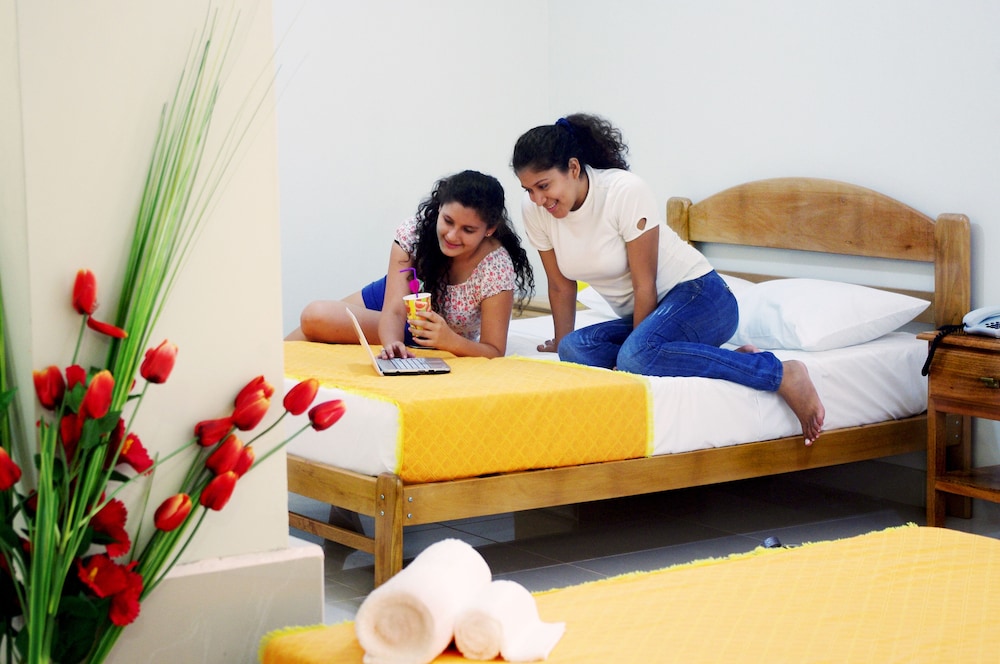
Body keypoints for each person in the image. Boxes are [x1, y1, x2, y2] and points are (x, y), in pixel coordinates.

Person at [511, 113, 824, 444]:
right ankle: (727, 359)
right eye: (528, 190)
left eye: (544, 186)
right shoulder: (536, 211)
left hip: (703, 298)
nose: (538, 200)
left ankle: (781, 372)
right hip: (653, 317)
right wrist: (561, 344)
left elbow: (644, 284)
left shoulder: (623, 191)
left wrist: (635, 352)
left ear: (573, 168)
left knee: (635, 357)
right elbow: (561, 285)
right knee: (575, 348)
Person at [287, 170, 534, 359]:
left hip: (428, 331)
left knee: (316, 319)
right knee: (308, 324)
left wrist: (449, 341)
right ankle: (266, 378)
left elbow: (493, 350)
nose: (452, 235)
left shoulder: (496, 268)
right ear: (439, 208)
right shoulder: (414, 233)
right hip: (392, 297)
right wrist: (392, 345)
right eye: (448, 221)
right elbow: (395, 309)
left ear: (489, 229)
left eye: (468, 230)